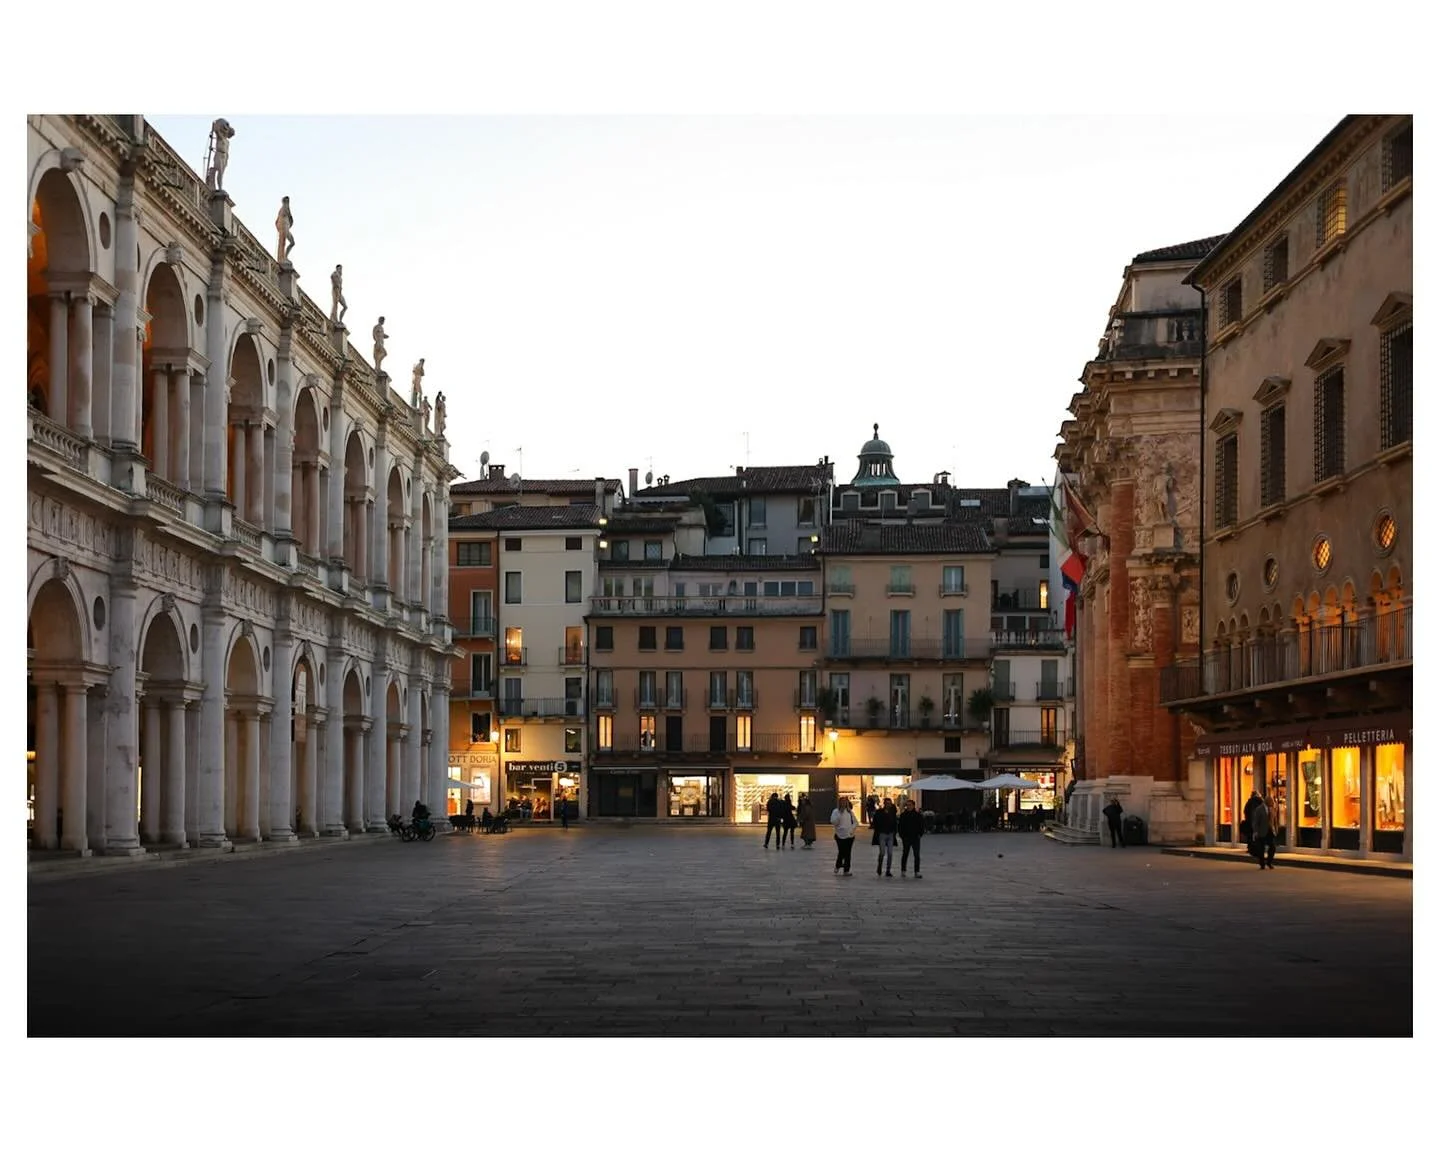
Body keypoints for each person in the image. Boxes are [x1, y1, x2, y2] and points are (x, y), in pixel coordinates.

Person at [898, 797, 925, 878]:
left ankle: (917, 871)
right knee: (905, 854)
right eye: (907, 805)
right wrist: (902, 835)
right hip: (906, 837)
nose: (908, 807)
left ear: (913, 806)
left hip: (915, 837)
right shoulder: (903, 815)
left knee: (916, 855)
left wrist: (920, 834)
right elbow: (900, 826)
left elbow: (921, 826)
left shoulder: (918, 815)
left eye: (910, 805)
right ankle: (903, 870)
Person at [831, 796, 858, 876]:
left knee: (848, 853)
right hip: (839, 835)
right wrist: (840, 815)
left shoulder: (850, 812)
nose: (843, 803)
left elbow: (856, 822)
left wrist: (851, 830)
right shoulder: (836, 812)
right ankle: (838, 865)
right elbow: (833, 822)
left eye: (845, 802)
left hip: (849, 836)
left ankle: (846, 869)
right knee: (842, 851)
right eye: (842, 802)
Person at [1249, 793, 1275, 870]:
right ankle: (1262, 864)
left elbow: (1274, 820)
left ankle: (1269, 862)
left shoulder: (1272, 809)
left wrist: (1275, 829)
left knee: (1272, 847)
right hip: (1262, 831)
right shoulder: (1259, 809)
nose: (1272, 803)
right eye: (1271, 802)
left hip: (1270, 831)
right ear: (1267, 801)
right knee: (1261, 849)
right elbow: (1255, 822)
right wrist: (1256, 831)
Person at [873, 797, 898, 877]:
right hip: (882, 834)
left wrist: (894, 832)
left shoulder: (893, 813)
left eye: (889, 804)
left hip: (890, 834)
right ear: (884, 804)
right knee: (882, 852)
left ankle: (888, 870)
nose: (888, 805)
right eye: (887, 803)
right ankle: (879, 866)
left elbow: (895, 823)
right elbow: (876, 823)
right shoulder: (879, 812)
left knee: (890, 853)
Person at [275, 195, 295, 263]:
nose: (287, 203)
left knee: (292, 242)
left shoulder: (286, 209)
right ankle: (282, 258)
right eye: (286, 201)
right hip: (284, 228)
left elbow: (276, 222)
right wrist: (280, 228)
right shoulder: (283, 209)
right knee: (283, 242)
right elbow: (277, 222)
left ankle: (285, 257)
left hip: (286, 227)